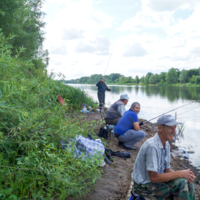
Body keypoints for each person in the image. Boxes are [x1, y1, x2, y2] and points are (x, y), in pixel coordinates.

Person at [132, 115, 196, 200]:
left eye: (175, 128)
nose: (175, 132)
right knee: (182, 187)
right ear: (160, 128)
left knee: (188, 183)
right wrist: (180, 173)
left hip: (156, 181)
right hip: (143, 186)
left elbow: (166, 169)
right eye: (171, 128)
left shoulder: (166, 144)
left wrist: (185, 176)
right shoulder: (152, 146)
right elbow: (153, 177)